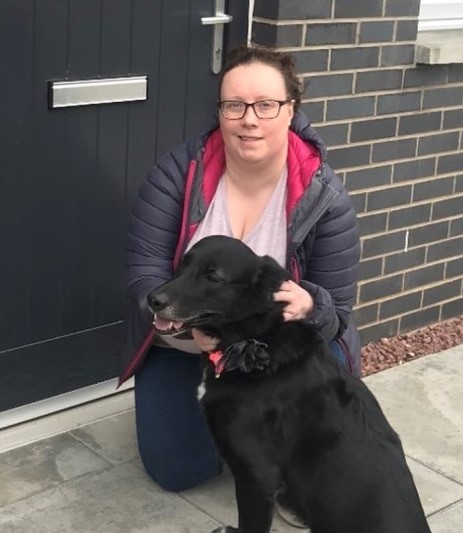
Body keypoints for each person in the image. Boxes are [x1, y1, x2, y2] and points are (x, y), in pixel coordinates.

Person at [119, 44, 361, 525]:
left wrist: (312, 305)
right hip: (185, 346)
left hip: (281, 351)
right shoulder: (176, 174)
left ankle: (279, 455)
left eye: (265, 105)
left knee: (306, 474)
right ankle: (241, 439)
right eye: (234, 105)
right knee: (177, 469)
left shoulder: (326, 198)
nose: (249, 119)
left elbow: (338, 313)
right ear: (220, 112)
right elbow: (143, 274)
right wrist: (189, 331)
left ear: (290, 110)